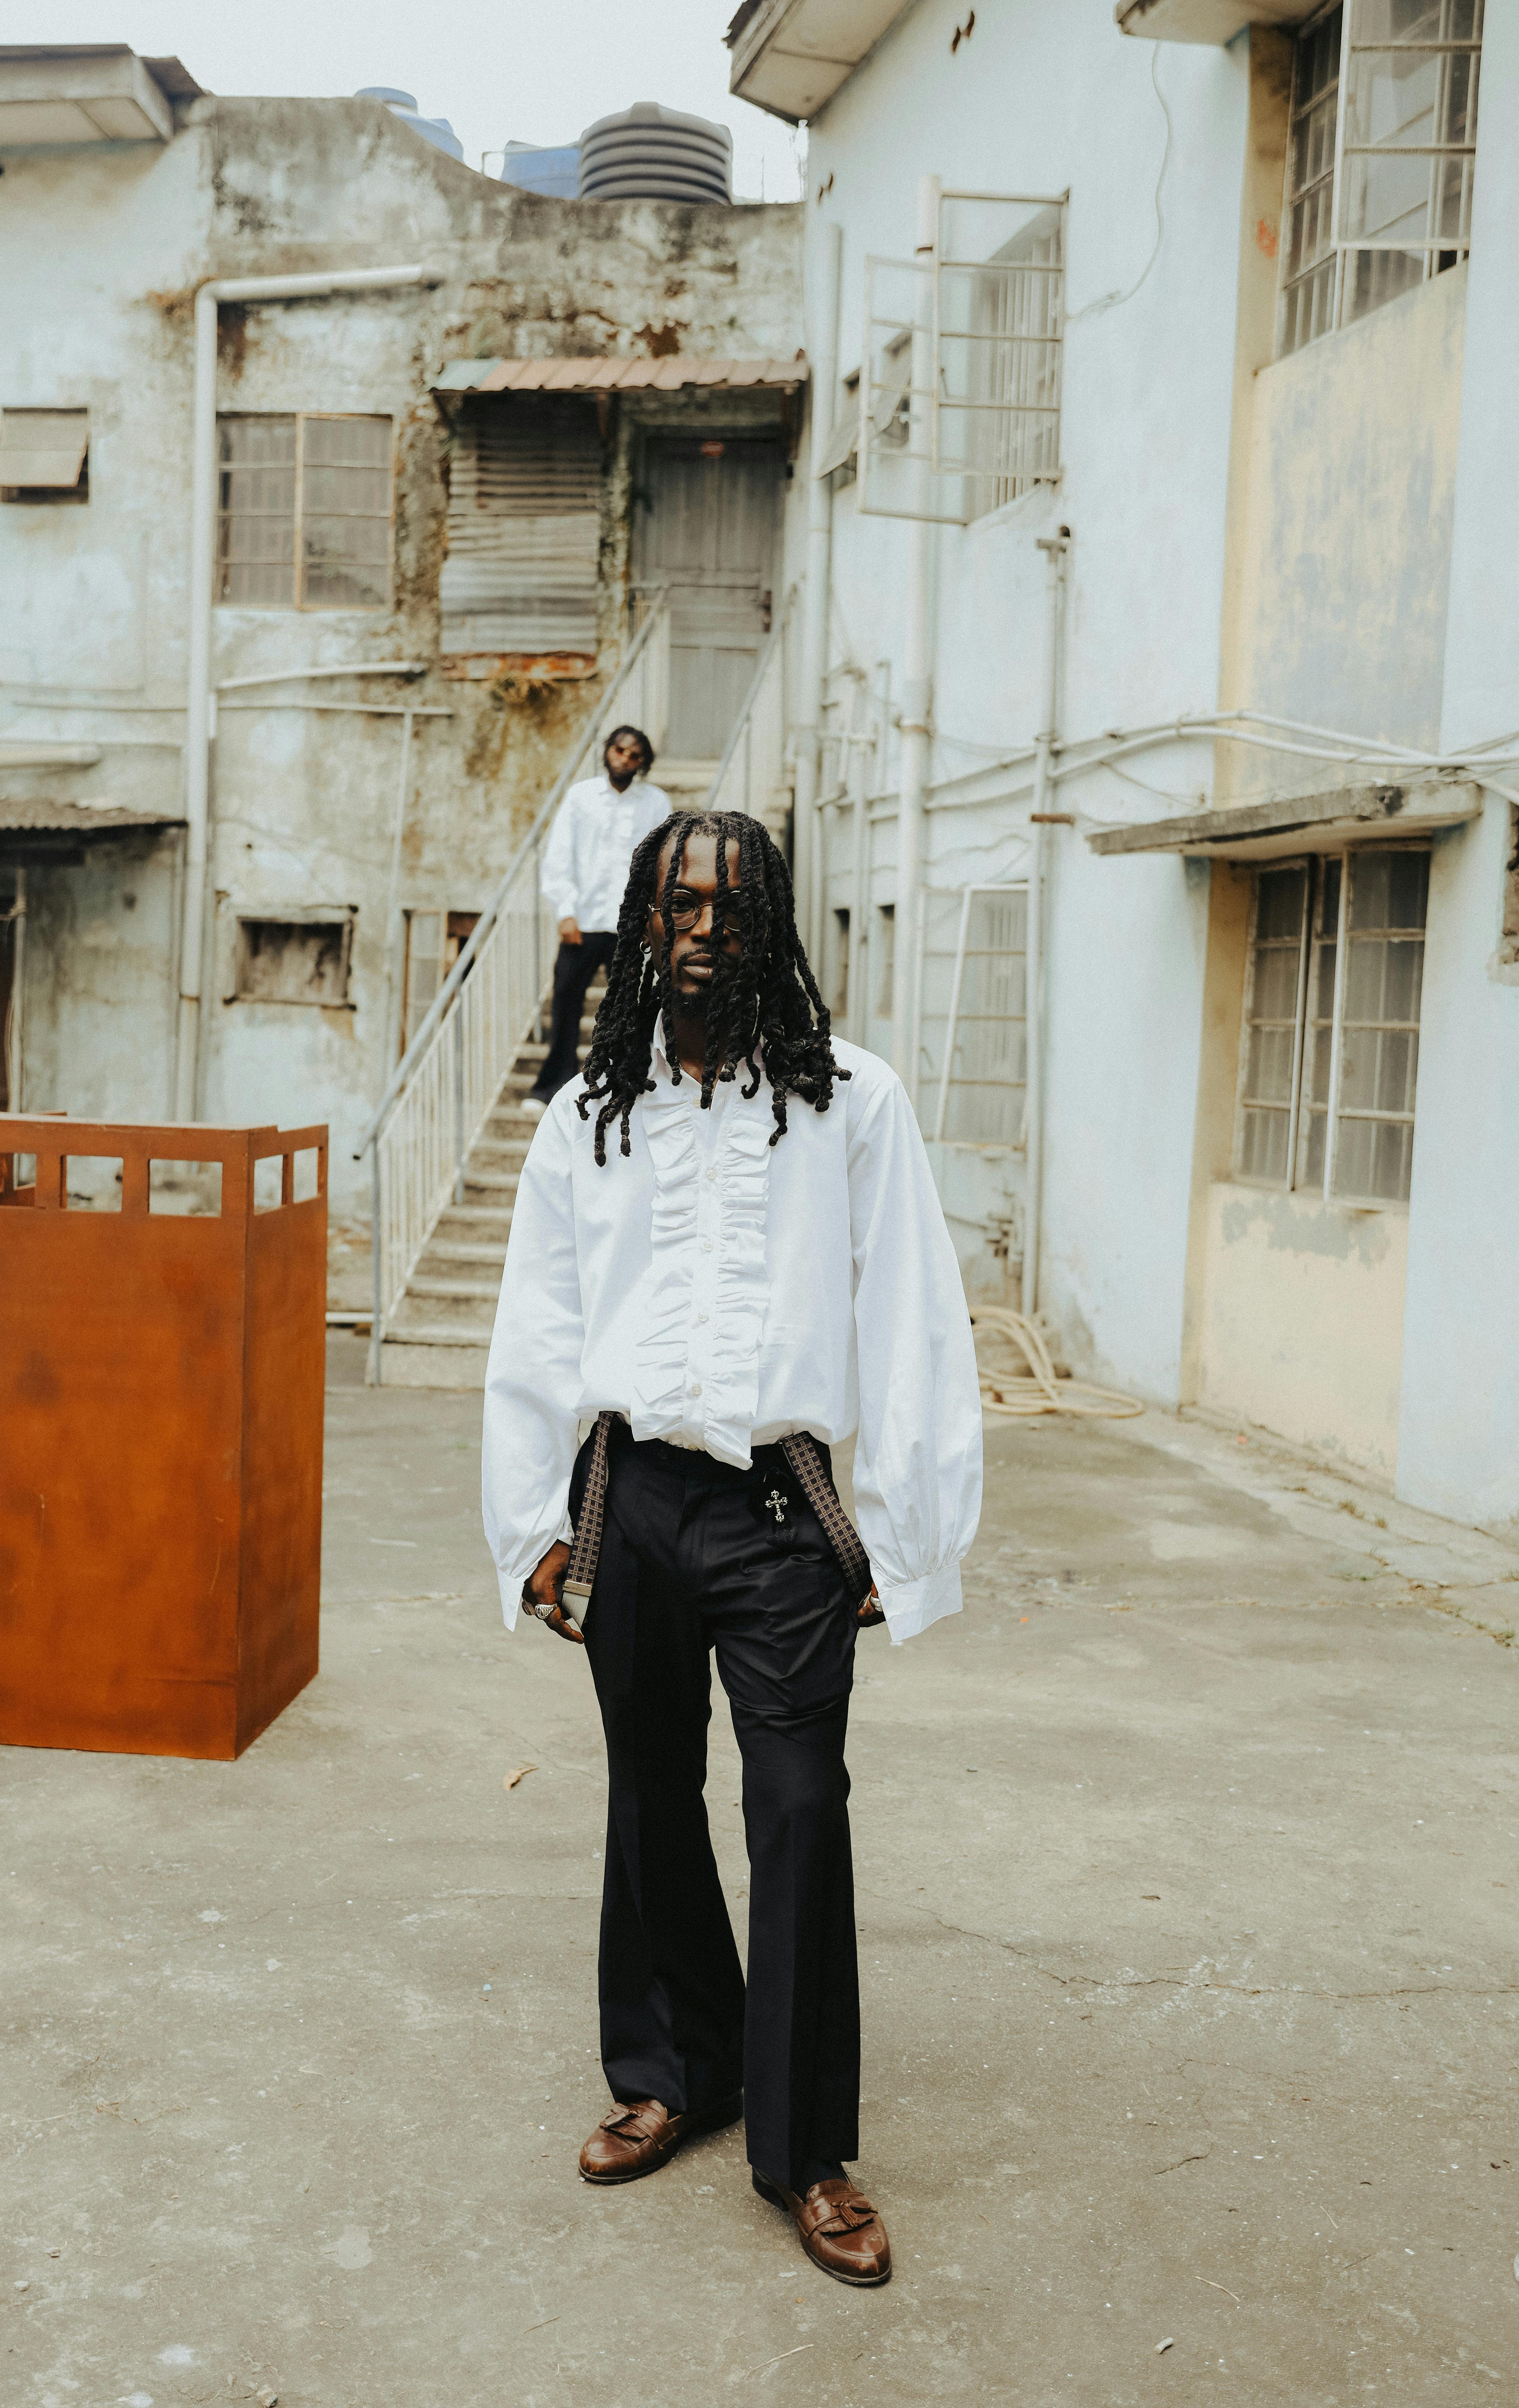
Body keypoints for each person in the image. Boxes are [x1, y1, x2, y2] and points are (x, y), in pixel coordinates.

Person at [482, 810, 982, 2288]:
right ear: (641, 925)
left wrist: (899, 1526)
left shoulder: (851, 1103)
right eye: (680, 907)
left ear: (772, 927)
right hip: (630, 1500)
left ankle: (807, 2150)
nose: (706, 932)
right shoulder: (587, 1114)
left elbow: (907, 1317)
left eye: (734, 908)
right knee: (648, 1804)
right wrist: (533, 1527)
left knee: (797, 1807)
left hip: (778, 1514)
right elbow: (540, 1326)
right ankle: (672, 2074)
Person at [523, 725, 669, 1113]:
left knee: (631, 1009)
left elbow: (662, 863)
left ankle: (625, 1083)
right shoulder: (581, 797)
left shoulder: (655, 803)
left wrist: (649, 917)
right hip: (583, 923)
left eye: (634, 755)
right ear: (608, 751)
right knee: (566, 1004)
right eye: (619, 750)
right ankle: (553, 1087)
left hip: (631, 927)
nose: (624, 759)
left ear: (642, 762)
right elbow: (559, 856)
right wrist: (566, 912)